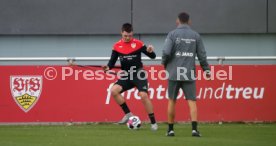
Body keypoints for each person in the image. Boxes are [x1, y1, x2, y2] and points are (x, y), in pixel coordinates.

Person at [162, 12, 211, 137]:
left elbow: (166, 52)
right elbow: (202, 55)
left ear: (177, 20)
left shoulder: (172, 34)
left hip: (174, 72)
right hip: (189, 72)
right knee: (192, 101)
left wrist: (164, 64)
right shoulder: (195, 35)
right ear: (189, 22)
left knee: (172, 100)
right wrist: (207, 70)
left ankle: (171, 130)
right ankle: (194, 130)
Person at [103, 23, 158, 131]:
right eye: (125, 36)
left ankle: (153, 123)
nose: (128, 38)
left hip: (139, 74)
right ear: (121, 33)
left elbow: (153, 56)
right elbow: (111, 63)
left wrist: (151, 51)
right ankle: (128, 114)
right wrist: (107, 67)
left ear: (132, 34)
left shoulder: (139, 44)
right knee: (114, 90)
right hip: (126, 75)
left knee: (143, 96)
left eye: (130, 36)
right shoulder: (116, 46)